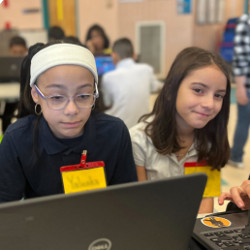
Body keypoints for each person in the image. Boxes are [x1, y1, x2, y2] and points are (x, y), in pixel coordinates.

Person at [0, 42, 137, 202]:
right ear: (36, 94)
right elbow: (6, 210)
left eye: (83, 96)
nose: (71, 110)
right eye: (57, 97)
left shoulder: (114, 133)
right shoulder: (17, 140)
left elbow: (127, 201)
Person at [129, 46, 231, 213]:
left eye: (218, 95)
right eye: (198, 90)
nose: (209, 104)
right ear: (170, 90)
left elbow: (205, 204)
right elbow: (140, 206)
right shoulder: (138, 140)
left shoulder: (211, 139)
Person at [101, 38, 161, 129]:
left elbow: (107, 103)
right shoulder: (147, 69)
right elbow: (158, 87)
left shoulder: (108, 77)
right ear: (134, 55)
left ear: (114, 55)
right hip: (142, 127)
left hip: (118, 129)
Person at [227, 12, 250, 169]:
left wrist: (241, 86)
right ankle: (236, 155)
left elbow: (241, 58)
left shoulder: (245, 22)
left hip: (247, 85)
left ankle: (235, 156)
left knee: (243, 121)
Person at [1, 35, 28, 133]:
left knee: (25, 114)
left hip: (25, 95)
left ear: (26, 50)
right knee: (7, 114)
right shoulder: (5, 64)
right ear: (10, 51)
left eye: (21, 52)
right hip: (9, 94)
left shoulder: (30, 63)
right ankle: (6, 135)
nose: (17, 56)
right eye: (15, 52)